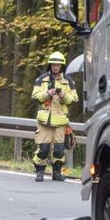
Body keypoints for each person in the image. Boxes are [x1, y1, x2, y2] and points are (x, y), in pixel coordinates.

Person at [31, 51, 78, 182]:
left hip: (61, 121)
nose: (55, 67)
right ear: (50, 65)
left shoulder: (68, 81)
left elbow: (74, 99)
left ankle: (56, 173)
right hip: (44, 120)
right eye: (53, 64)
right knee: (43, 148)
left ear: (62, 66)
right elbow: (35, 97)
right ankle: (39, 172)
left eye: (58, 65)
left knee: (59, 150)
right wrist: (47, 94)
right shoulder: (42, 79)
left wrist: (63, 95)